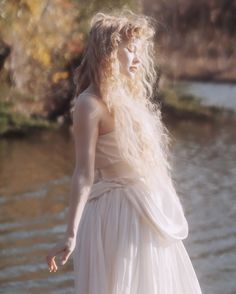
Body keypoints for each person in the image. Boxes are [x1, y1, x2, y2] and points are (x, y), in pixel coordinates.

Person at [46, 10, 202, 294]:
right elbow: (83, 173)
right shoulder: (88, 104)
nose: (138, 58)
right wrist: (70, 234)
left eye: (139, 51)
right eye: (130, 50)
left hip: (147, 212)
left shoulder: (129, 99)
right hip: (116, 213)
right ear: (107, 53)